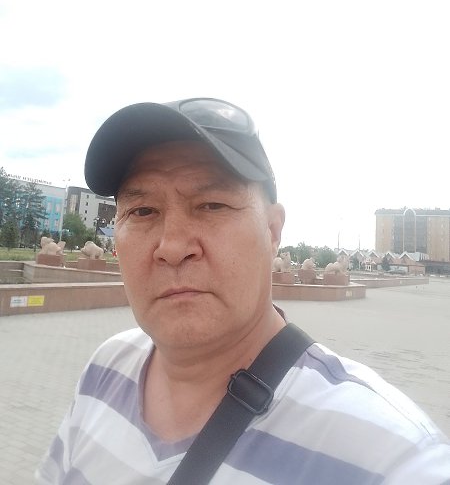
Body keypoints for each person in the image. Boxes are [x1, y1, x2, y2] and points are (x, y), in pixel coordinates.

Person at [36, 97, 450, 484]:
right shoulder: (105, 369)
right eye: (143, 211)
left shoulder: (387, 455)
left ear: (272, 231)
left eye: (212, 205)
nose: (172, 247)